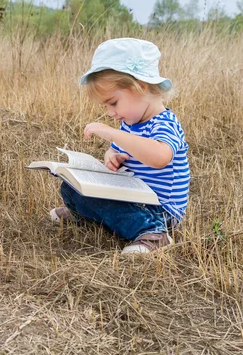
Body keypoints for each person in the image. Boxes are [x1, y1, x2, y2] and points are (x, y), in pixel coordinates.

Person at [50, 38, 190, 254]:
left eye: (113, 103)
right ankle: (88, 217)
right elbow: (118, 148)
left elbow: (159, 156)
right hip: (132, 197)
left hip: (158, 210)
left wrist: (112, 133)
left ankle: (156, 234)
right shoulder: (129, 123)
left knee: (114, 207)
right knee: (70, 187)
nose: (110, 113)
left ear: (141, 88)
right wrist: (111, 154)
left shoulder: (165, 123)